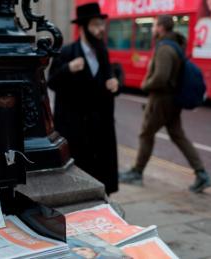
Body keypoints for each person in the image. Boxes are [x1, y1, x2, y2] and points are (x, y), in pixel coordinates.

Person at [119, 15, 211, 193]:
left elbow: (161, 77)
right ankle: (201, 174)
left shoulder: (164, 48)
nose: (153, 29)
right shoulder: (175, 45)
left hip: (161, 99)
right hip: (173, 99)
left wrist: (145, 85)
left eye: (154, 25)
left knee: (146, 133)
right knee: (178, 135)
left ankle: (137, 172)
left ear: (161, 27)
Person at [48, 3, 120, 195]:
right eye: (96, 25)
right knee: (80, 177)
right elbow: (51, 82)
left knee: (101, 177)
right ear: (83, 27)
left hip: (101, 128)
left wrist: (114, 84)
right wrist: (68, 69)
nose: (100, 30)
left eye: (101, 25)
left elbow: (109, 80)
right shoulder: (67, 53)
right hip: (76, 127)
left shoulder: (103, 53)